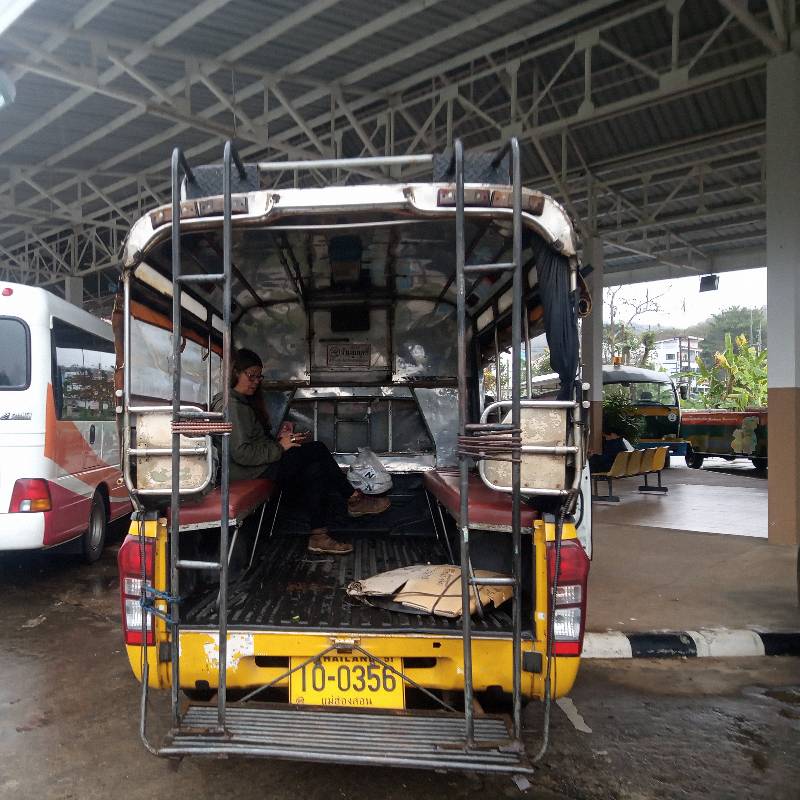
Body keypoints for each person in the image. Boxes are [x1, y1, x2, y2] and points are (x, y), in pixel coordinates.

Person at [211, 348, 390, 555]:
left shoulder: (241, 402)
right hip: (248, 472)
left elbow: (252, 443)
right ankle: (353, 498)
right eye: (251, 375)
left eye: (259, 377)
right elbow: (242, 453)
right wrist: (280, 447)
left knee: (315, 470)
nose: (255, 382)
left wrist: (283, 441)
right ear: (235, 373)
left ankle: (319, 535)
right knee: (317, 449)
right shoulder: (233, 405)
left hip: (257, 467)